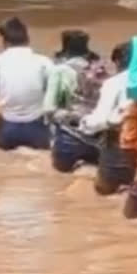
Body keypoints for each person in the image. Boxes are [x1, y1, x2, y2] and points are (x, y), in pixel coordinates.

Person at [0, 17, 53, 151]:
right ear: (27, 39)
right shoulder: (44, 62)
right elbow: (54, 93)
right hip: (37, 129)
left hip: (8, 130)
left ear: (5, 41)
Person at [45, 30, 107, 172]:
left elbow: (48, 109)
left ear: (65, 49)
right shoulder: (100, 70)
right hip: (99, 143)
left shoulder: (59, 70)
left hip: (69, 141)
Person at [80, 41, 137, 195]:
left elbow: (99, 121)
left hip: (120, 154)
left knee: (101, 191)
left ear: (118, 62)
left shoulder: (114, 83)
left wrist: (84, 123)